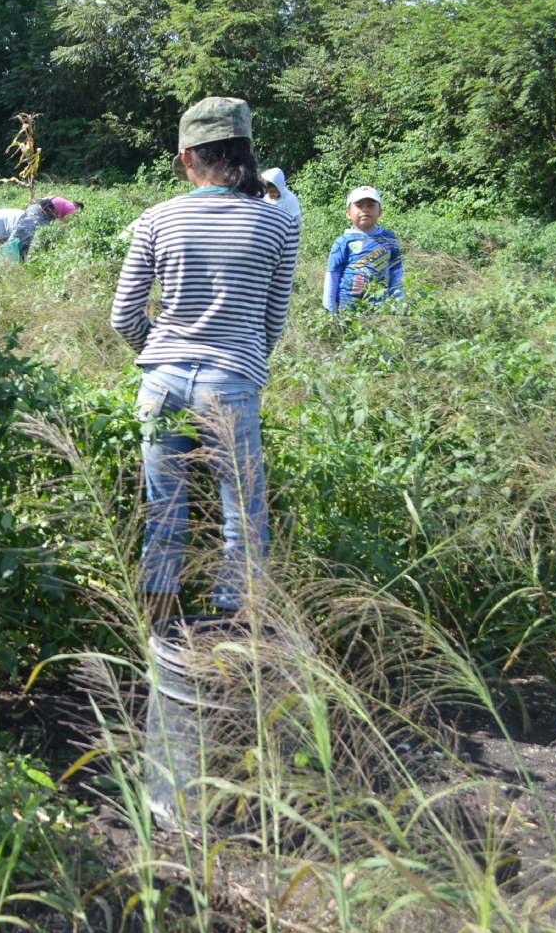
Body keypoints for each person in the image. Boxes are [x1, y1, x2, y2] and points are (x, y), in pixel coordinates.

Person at [109, 96, 300, 621]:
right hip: (232, 383)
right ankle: (233, 643)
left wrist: (163, 351)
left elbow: (123, 317)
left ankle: (159, 644)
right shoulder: (279, 224)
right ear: (244, 153)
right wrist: (236, 363)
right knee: (242, 517)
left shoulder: (156, 219)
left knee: (164, 515)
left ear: (188, 158)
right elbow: (271, 324)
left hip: (161, 384)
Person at [323, 186, 402, 315]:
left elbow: (396, 272)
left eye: (371, 205)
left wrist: (399, 301)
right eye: (359, 206)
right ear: (348, 213)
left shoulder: (388, 238)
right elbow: (332, 275)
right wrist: (329, 309)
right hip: (348, 307)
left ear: (380, 211)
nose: (365, 210)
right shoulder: (343, 241)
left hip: (381, 307)